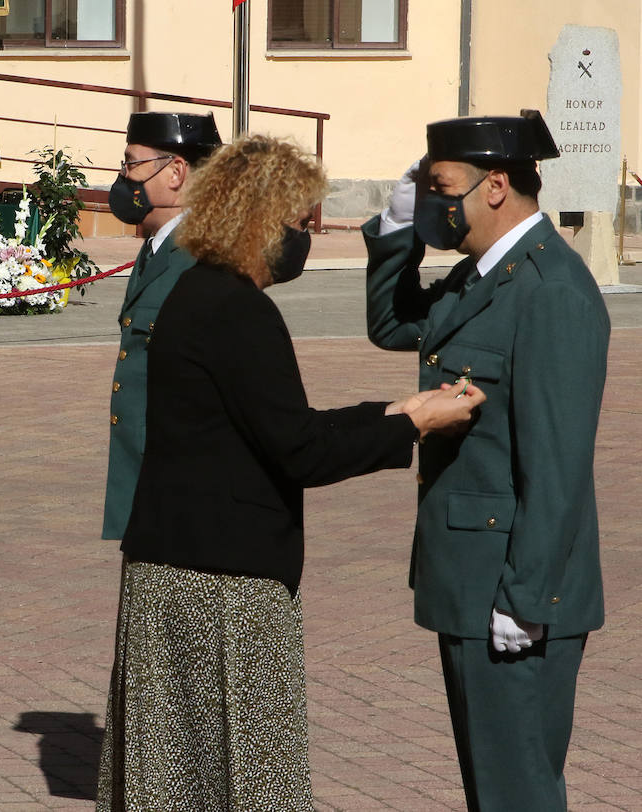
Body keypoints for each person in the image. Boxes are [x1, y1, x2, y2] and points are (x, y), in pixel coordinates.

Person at [95, 134, 485, 811]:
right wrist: (415, 425)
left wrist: (394, 411)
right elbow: (300, 449)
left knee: (177, 782)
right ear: (260, 222)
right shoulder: (239, 311)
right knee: (245, 782)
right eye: (300, 223)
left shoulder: (196, 293)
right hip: (223, 586)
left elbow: (273, 422)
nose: (307, 237)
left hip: (172, 568)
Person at [364, 112, 608, 811]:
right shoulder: (484, 275)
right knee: (494, 788)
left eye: (441, 188)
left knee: (517, 792)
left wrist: (525, 599)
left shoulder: (550, 289)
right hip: (473, 578)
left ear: (495, 184)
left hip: (514, 591)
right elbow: (394, 322)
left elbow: (557, 464)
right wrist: (397, 229)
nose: (437, 204)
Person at [101, 111, 222, 541]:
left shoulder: (201, 256)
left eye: (132, 164)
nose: (124, 178)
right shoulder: (159, 247)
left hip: (180, 494)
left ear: (175, 172)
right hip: (151, 485)